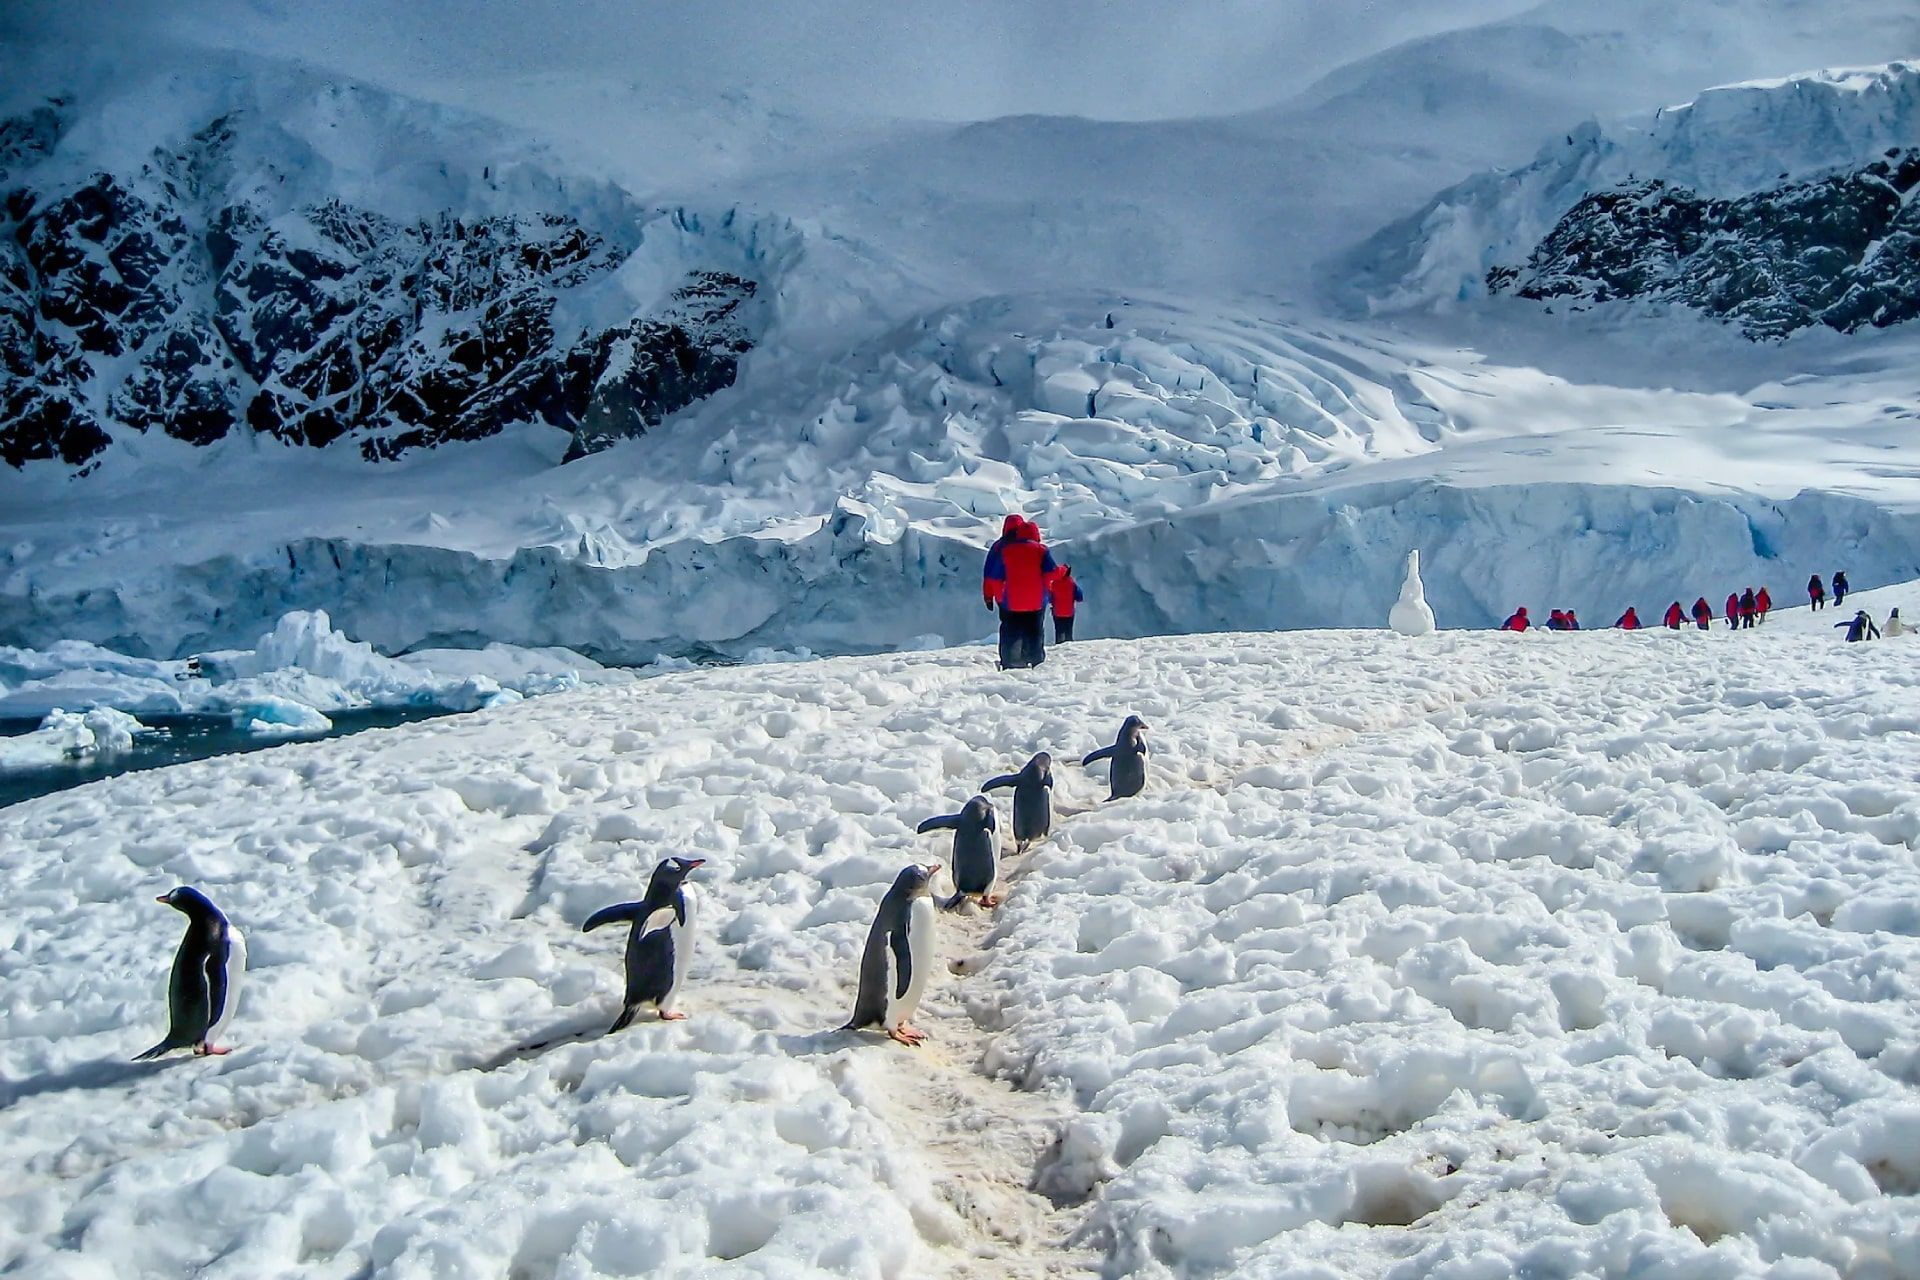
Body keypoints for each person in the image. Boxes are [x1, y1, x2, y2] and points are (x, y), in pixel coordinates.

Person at [983, 517, 1058, 669]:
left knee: (1011, 629)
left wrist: (990, 596)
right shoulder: (1038, 549)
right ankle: (1033, 659)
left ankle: (1011, 661)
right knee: (1034, 629)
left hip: (1007, 597)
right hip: (1036, 599)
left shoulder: (999, 547)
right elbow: (1050, 573)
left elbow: (990, 574)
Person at [1049, 562, 1083, 643]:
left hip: (1057, 612)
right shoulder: (1072, 584)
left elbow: (1049, 597)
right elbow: (1079, 597)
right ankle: (1069, 649)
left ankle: (1058, 647)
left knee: (1059, 631)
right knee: (1068, 632)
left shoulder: (1054, 583)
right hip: (1069, 612)